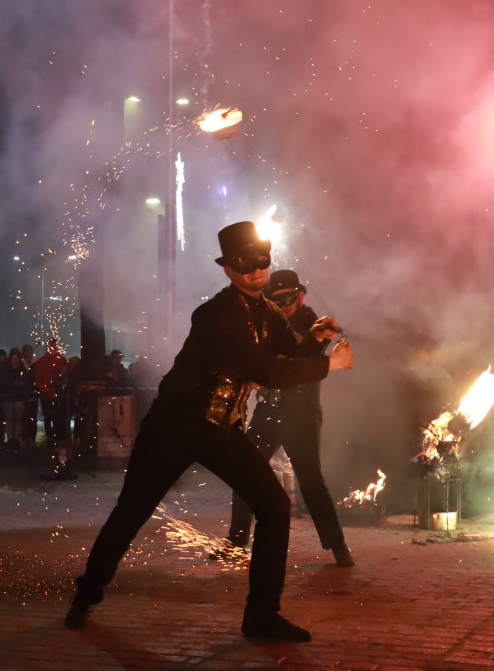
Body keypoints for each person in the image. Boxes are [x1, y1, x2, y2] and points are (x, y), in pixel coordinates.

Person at [65, 221, 354, 642]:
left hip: (221, 428)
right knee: (132, 511)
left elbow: (285, 351)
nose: (256, 270)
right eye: (244, 263)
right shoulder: (218, 313)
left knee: (273, 506)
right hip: (174, 427)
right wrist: (329, 364)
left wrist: (313, 339)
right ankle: (85, 597)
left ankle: (261, 615)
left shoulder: (267, 312)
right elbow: (265, 370)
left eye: (261, 261)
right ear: (228, 269)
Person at [216, 270, 354, 567]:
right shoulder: (268, 323)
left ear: (300, 296)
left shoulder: (310, 323)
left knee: (311, 480)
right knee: (245, 470)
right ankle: (237, 541)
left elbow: (304, 357)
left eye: (289, 299)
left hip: (302, 413)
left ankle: (338, 545)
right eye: (277, 300)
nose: (285, 304)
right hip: (270, 411)